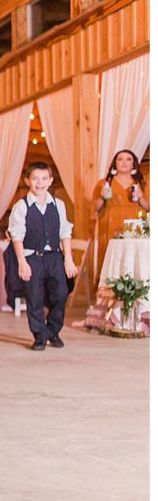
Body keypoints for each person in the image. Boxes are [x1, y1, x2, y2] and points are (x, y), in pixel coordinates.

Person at [10, 163, 78, 351]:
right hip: (32, 257)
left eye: (44, 178)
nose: (39, 183)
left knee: (60, 294)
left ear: (50, 181)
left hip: (54, 256)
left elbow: (65, 232)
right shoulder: (21, 206)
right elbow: (17, 236)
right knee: (35, 298)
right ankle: (40, 336)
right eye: (35, 179)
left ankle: (53, 331)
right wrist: (22, 262)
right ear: (28, 181)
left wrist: (68, 259)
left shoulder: (58, 205)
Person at [92, 149, 149, 279]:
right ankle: (109, 294)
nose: (124, 162)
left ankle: (135, 292)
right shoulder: (104, 183)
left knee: (133, 257)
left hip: (135, 225)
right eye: (120, 159)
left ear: (133, 163)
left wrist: (140, 197)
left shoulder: (142, 183)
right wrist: (102, 197)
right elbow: (96, 208)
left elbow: (149, 207)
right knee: (112, 259)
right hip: (111, 224)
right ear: (115, 163)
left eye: (128, 159)